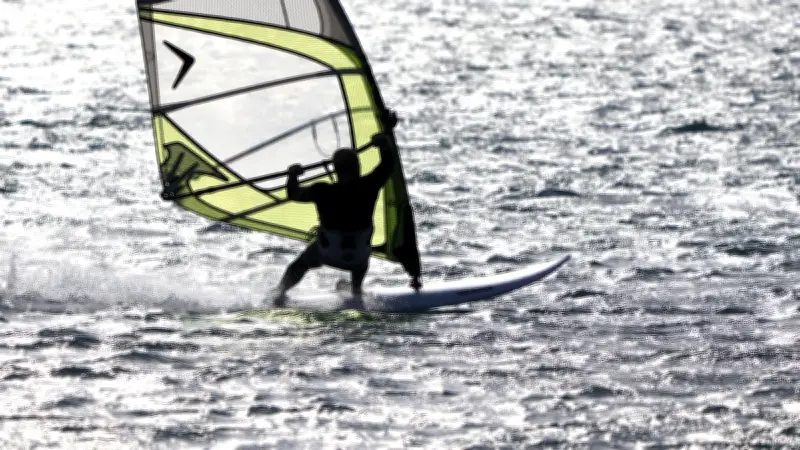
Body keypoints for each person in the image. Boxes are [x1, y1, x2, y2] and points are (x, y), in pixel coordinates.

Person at [273, 111, 422, 307]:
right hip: (358, 257)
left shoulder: (322, 190)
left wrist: (293, 175)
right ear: (358, 167)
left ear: (335, 170)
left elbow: (293, 194)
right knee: (361, 259)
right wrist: (385, 138)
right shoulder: (368, 186)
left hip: (327, 253)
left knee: (301, 263)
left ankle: (279, 294)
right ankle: (356, 292)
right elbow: (388, 164)